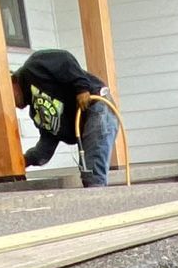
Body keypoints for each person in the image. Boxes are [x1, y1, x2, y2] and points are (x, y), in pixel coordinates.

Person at [12, 48, 119, 186]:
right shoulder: (37, 113)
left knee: (92, 170)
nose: (12, 105)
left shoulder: (33, 67)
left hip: (97, 105)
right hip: (87, 119)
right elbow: (45, 147)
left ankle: (97, 199)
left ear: (12, 81)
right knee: (88, 171)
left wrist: (81, 88)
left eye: (8, 97)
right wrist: (24, 161)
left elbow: (64, 59)